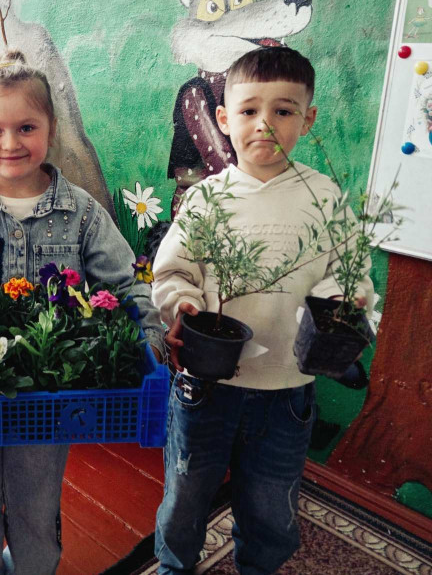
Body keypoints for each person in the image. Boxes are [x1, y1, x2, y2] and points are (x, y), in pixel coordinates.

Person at [0, 48, 166, 575]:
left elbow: (128, 283)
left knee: (37, 496)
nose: (10, 143)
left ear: (50, 130)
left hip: (49, 389)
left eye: (26, 127)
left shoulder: (83, 213)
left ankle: (35, 565)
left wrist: (151, 339)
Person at [151, 46, 374, 574]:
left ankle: (259, 566)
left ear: (308, 119)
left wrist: (345, 299)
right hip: (206, 388)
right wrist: (183, 303)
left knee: (272, 504)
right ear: (224, 119)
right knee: (185, 495)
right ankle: (174, 566)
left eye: (284, 110)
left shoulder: (324, 197)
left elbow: (351, 273)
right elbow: (172, 273)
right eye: (249, 110)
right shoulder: (206, 199)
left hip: (287, 390)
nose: (264, 124)